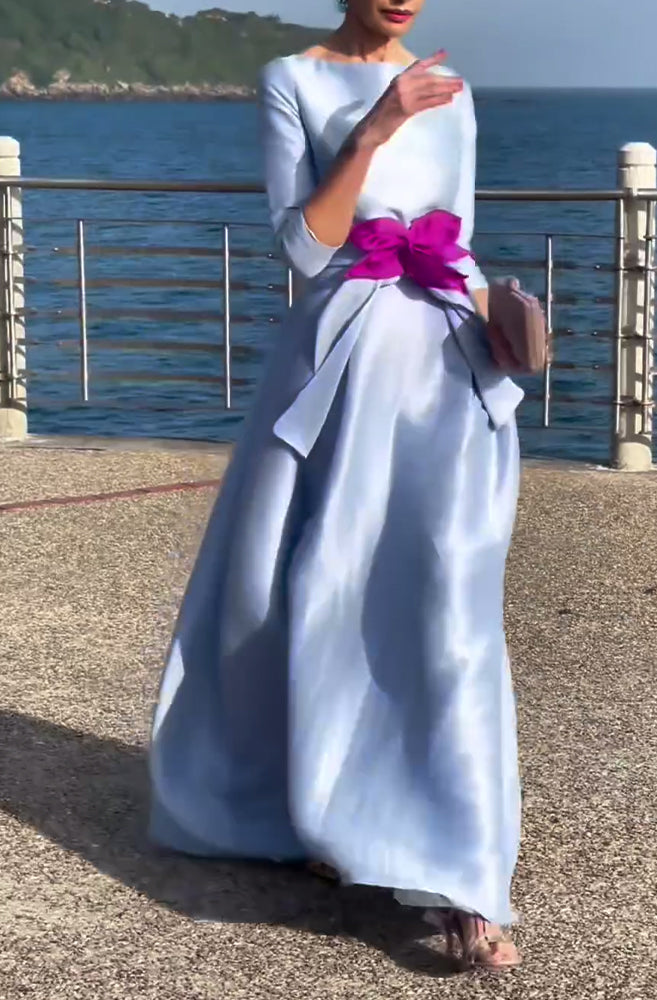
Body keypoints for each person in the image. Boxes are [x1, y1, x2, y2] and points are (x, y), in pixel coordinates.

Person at [148, 0, 524, 972]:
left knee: (449, 596)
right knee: (315, 588)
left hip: (444, 367)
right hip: (339, 365)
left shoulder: (454, 91)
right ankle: (317, 803)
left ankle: (463, 874)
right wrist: (374, 128)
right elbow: (307, 247)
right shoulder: (294, 79)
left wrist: (503, 333)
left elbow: (459, 239)